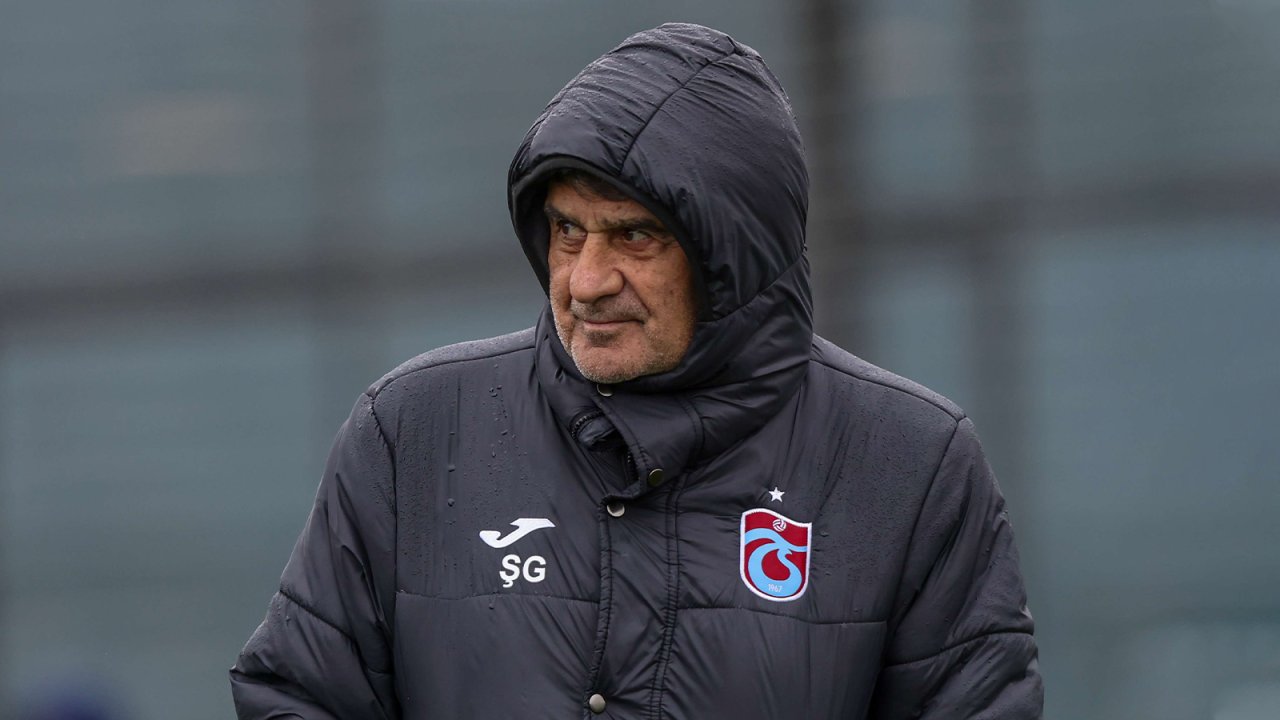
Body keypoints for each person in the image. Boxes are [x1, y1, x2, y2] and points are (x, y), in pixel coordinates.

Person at [230, 22, 1042, 719]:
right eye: (567, 232)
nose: (586, 281)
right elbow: (298, 695)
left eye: (634, 236)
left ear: (733, 257)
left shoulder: (908, 462)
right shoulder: (414, 431)